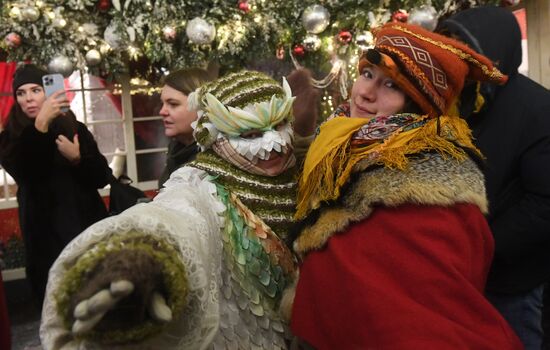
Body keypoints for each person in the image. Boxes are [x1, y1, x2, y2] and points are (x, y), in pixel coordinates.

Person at [288, 22, 523, 349]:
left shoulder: (419, 168)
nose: (366, 92)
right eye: (367, 74)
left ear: (418, 105)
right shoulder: (341, 137)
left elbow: (414, 311)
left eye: (391, 86)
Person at [40, 70, 304, 349]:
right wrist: (141, 261)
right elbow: (177, 218)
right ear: (215, 137)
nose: (276, 143)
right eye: (251, 134)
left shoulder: (310, 168)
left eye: (279, 126)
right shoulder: (200, 184)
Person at [437, 6, 550, 349]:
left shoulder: (538, 109)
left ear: (491, 52)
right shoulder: (453, 101)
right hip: (458, 276)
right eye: (449, 46)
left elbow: (544, 203)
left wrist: (482, 245)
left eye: (464, 48)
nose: (454, 58)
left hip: (511, 280)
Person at [0, 64, 112, 306]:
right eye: (21, 93)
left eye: (36, 90)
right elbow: (28, 173)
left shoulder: (73, 126)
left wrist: (77, 159)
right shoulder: (10, 137)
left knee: (99, 305)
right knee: (57, 307)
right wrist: (40, 125)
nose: (28, 98)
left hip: (84, 228)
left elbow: (102, 176)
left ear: (48, 92)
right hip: (44, 238)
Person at [157, 67, 214, 188]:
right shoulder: (177, 149)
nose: (162, 111)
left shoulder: (213, 163)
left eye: (173, 104)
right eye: (162, 103)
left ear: (202, 107)